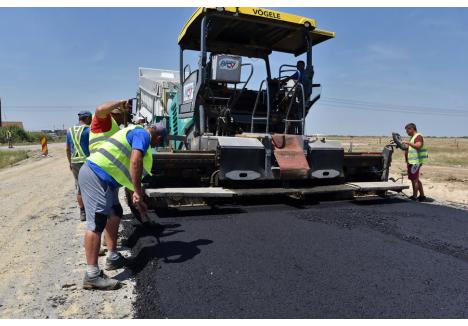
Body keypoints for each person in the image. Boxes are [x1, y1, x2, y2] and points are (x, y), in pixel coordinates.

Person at [78, 123, 167, 290]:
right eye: (158, 144)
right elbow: (135, 162)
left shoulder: (137, 133)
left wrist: (137, 198)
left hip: (107, 180)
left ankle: (112, 256)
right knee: (96, 223)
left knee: (115, 212)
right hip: (95, 175)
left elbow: (129, 171)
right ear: (158, 138)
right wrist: (139, 192)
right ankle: (92, 276)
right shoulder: (142, 135)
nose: (154, 147)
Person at [66, 111, 92, 221]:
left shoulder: (69, 130)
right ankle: (92, 210)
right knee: (91, 186)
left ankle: (83, 212)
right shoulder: (89, 129)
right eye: (90, 118)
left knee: (79, 187)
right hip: (87, 161)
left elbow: (67, 149)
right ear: (87, 118)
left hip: (75, 162)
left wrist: (70, 162)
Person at [402, 123, 428, 202]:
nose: (407, 132)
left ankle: (414, 196)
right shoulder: (412, 137)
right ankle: (422, 196)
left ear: (411, 129)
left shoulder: (418, 137)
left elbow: (418, 146)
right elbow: (410, 148)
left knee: (414, 180)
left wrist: (408, 143)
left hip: (416, 162)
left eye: (407, 130)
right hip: (412, 161)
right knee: (416, 179)